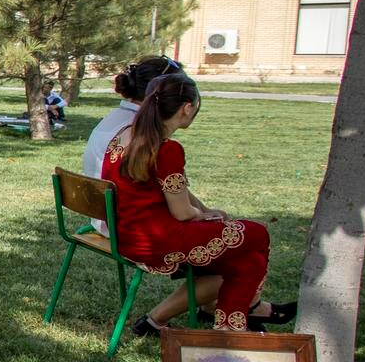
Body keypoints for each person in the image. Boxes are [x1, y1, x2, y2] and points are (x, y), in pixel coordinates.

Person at [101, 73, 294, 332]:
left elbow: (171, 197)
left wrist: (202, 213)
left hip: (128, 234)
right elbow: (181, 213)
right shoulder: (166, 150)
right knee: (257, 233)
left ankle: (230, 327)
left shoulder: (125, 136)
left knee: (249, 264)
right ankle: (245, 312)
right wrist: (201, 215)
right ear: (187, 108)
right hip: (156, 241)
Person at [83, 55, 184, 186]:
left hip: (101, 199)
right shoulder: (138, 127)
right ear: (161, 91)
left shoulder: (118, 117)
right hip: (119, 203)